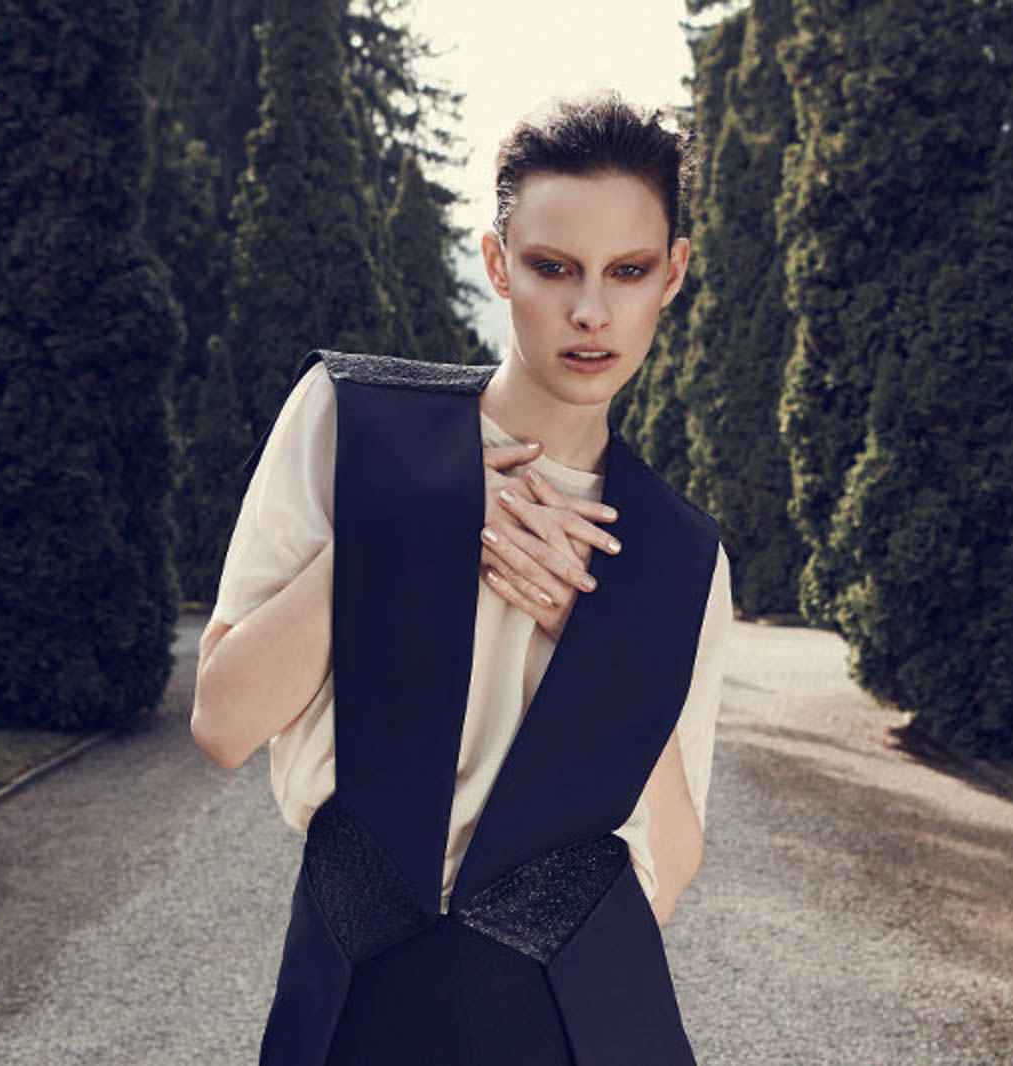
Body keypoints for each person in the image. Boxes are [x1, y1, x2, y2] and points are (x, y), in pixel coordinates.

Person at [191, 93, 733, 1066]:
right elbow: (223, 721)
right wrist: (409, 521)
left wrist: (608, 653)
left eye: (628, 270)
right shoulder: (352, 422)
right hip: (356, 994)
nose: (591, 311)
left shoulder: (679, 554)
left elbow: (671, 855)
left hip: (579, 1017)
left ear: (673, 273)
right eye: (553, 266)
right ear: (498, 262)